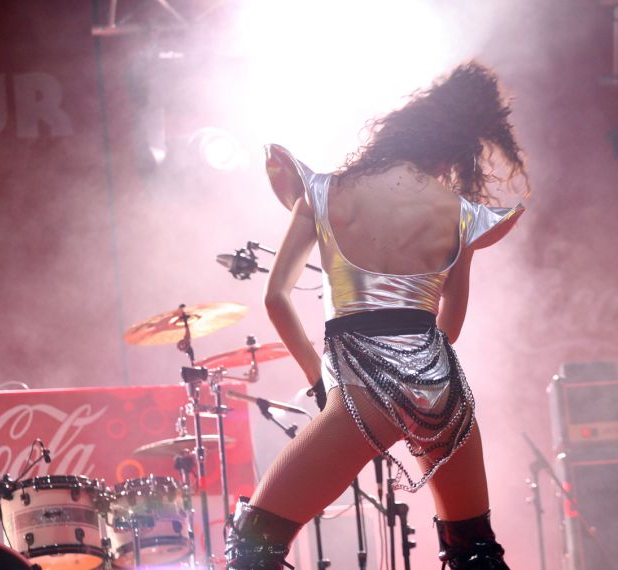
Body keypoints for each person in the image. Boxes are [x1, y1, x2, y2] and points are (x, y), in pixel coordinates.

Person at [225, 62, 528, 569]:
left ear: (401, 130)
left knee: (254, 546)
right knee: (475, 552)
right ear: (454, 151)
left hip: (362, 391)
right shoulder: (459, 212)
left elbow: (276, 298)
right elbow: (448, 330)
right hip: (441, 391)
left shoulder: (324, 191)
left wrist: (320, 380)